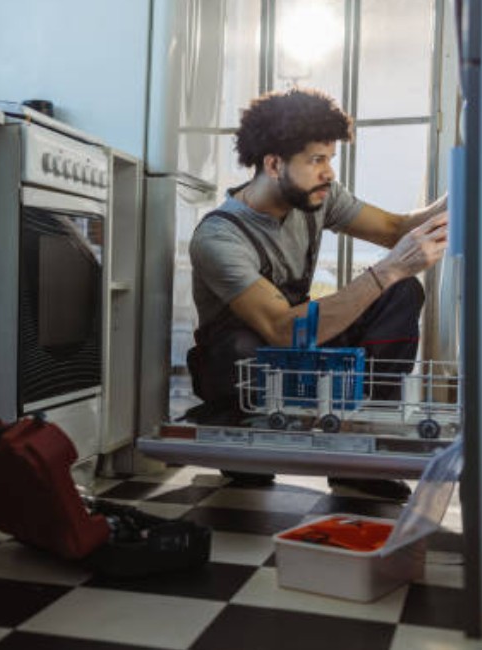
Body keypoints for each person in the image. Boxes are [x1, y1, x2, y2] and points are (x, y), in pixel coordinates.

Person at [185, 87, 448, 500]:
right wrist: (388, 268)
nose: (329, 172)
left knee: (400, 291)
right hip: (247, 367)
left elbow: (395, 229)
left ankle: (358, 445)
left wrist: (465, 186)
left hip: (298, 354)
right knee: (242, 345)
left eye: (330, 159)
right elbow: (280, 329)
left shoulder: (317, 198)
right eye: (316, 160)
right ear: (274, 164)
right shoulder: (218, 237)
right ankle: (241, 430)